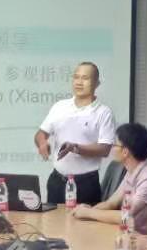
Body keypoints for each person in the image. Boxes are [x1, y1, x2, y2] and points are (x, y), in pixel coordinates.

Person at [71, 122, 147, 235]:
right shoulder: (132, 171)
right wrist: (86, 211)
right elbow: (111, 203)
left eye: (115, 145)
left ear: (125, 152)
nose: (112, 148)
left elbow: (126, 216)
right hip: (138, 235)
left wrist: (88, 213)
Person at [34, 61, 117, 206]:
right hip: (57, 181)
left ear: (97, 83)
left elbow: (104, 149)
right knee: (52, 219)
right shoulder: (60, 106)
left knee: (85, 221)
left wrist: (75, 148)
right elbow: (41, 133)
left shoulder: (103, 113)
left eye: (85, 78)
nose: (79, 82)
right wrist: (42, 143)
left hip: (86, 184)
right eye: (76, 77)